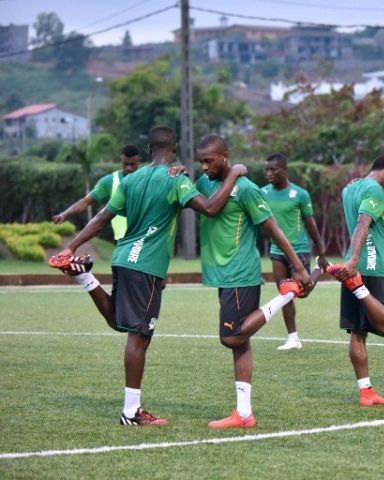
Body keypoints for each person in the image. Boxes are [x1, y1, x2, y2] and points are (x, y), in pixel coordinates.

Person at [48, 126, 247, 426]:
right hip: (147, 266)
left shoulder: (131, 179)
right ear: (175, 148)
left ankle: (85, 277)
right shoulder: (175, 180)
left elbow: (102, 218)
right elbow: (209, 208)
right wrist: (234, 174)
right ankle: (131, 412)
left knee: (120, 320)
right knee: (139, 336)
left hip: (123, 258)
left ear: (150, 149)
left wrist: (71, 246)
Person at [194, 136, 314, 429]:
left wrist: (298, 267)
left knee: (231, 337)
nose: (205, 166)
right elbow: (204, 205)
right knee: (240, 343)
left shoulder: (247, 190)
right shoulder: (203, 184)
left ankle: (286, 295)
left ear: (225, 157)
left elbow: (272, 228)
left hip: (240, 273)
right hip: (220, 274)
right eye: (201, 161)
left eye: (209, 160)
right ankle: (244, 414)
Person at [325, 155, 384, 407]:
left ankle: (366, 392)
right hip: (372, 267)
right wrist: (356, 260)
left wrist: (351, 260)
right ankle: (359, 288)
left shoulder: (350, 188)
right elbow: (363, 222)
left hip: (350, 266)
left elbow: (372, 209)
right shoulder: (376, 190)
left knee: (358, 333)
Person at [261, 152, 328, 351]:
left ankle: (320, 268)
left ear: (285, 170)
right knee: (285, 293)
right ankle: (293, 338)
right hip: (276, 251)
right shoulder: (262, 193)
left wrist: (321, 252)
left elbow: (311, 224)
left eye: (273, 169)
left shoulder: (300, 194)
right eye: (267, 170)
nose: (269, 173)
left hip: (299, 250)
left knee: (302, 292)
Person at [53, 144, 142, 240]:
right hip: (123, 240)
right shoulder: (109, 181)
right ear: (121, 160)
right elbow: (86, 202)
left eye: (132, 164)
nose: (128, 168)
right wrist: (65, 214)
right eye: (125, 164)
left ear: (138, 162)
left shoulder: (147, 179)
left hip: (145, 238)